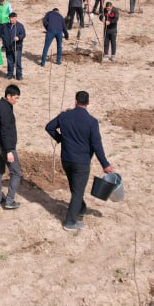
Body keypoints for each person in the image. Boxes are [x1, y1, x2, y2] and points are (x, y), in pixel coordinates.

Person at [45, 91, 114, 232]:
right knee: (77, 191)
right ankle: (70, 222)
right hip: (81, 162)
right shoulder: (92, 122)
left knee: (75, 188)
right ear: (88, 103)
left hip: (66, 160)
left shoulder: (64, 116)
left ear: (76, 101)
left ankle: (81, 208)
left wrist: (59, 138)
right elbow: (97, 145)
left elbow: (49, 127)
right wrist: (105, 164)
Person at [0, 83, 22, 209]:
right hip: (5, 147)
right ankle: (9, 201)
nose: (17, 100)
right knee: (16, 173)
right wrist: (9, 150)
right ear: (8, 96)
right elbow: (5, 130)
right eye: (16, 97)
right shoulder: (5, 109)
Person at [2, 12, 26, 79]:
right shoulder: (6, 26)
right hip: (8, 47)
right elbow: (3, 34)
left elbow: (23, 34)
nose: (11, 19)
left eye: (12, 18)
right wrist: (4, 41)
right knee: (10, 62)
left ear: (15, 18)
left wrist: (18, 37)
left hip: (17, 47)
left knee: (18, 62)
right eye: (10, 18)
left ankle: (19, 76)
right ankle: (9, 74)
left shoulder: (20, 26)